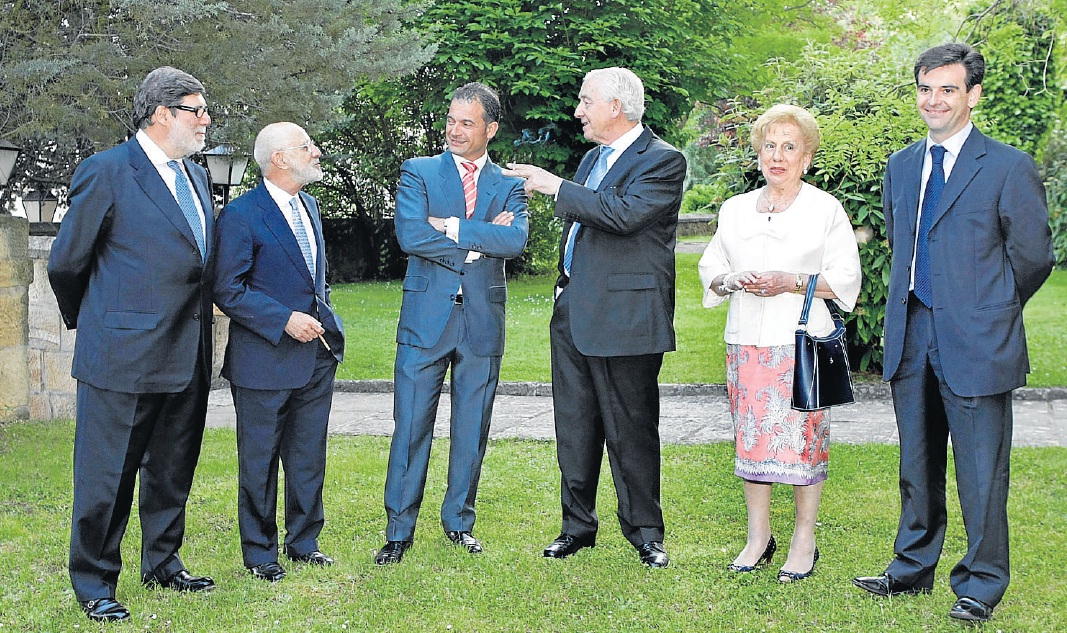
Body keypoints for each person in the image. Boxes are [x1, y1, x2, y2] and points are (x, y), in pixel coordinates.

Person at [852, 43, 1054, 623]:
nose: (933, 99)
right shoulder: (902, 166)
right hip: (912, 332)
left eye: (947, 88)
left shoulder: (1009, 166)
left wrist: (990, 307)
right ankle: (911, 568)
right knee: (916, 463)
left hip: (978, 339)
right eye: (925, 88)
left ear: (973, 94)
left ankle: (982, 583)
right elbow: (902, 241)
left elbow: (1033, 256)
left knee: (982, 470)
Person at [47, 66, 217, 623]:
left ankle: (163, 563)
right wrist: (95, 322)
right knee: (108, 474)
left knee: (172, 468)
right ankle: (94, 581)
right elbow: (67, 263)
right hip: (121, 358)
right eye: (197, 109)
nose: (206, 119)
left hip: (186, 352)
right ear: (162, 114)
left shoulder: (194, 177)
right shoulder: (107, 171)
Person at [503, 67, 685, 568]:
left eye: (586, 101)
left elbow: (623, 214)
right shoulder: (591, 158)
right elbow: (588, 219)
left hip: (628, 318)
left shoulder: (663, 160)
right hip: (573, 311)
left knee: (632, 429)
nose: (578, 110)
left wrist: (555, 186)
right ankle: (577, 526)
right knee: (575, 426)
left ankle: (646, 532)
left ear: (616, 107)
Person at [698, 104, 861, 583]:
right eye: (769, 145)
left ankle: (804, 540)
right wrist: (731, 280)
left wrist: (791, 280)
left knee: (802, 445)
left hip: (801, 347)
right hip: (745, 344)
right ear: (758, 152)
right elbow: (712, 266)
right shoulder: (734, 210)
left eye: (790, 147)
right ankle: (758, 537)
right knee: (752, 443)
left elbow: (846, 277)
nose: (778, 156)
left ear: (806, 157)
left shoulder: (824, 209)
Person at [375, 82, 529, 565]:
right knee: (410, 429)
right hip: (426, 321)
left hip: (481, 321)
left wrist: (453, 227)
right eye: (451, 120)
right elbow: (410, 235)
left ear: (491, 128)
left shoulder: (509, 183)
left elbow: (517, 241)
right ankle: (398, 532)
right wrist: (482, 240)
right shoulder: (418, 172)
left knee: (471, 429)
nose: (455, 130)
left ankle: (459, 522)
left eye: (467, 122)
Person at [213, 122, 346, 582]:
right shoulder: (241, 215)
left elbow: (314, 280)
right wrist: (283, 319)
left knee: (309, 456)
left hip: (316, 357)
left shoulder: (309, 206)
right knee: (259, 459)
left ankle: (304, 542)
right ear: (279, 159)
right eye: (306, 146)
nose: (317, 151)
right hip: (263, 361)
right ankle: (259, 553)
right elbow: (227, 289)